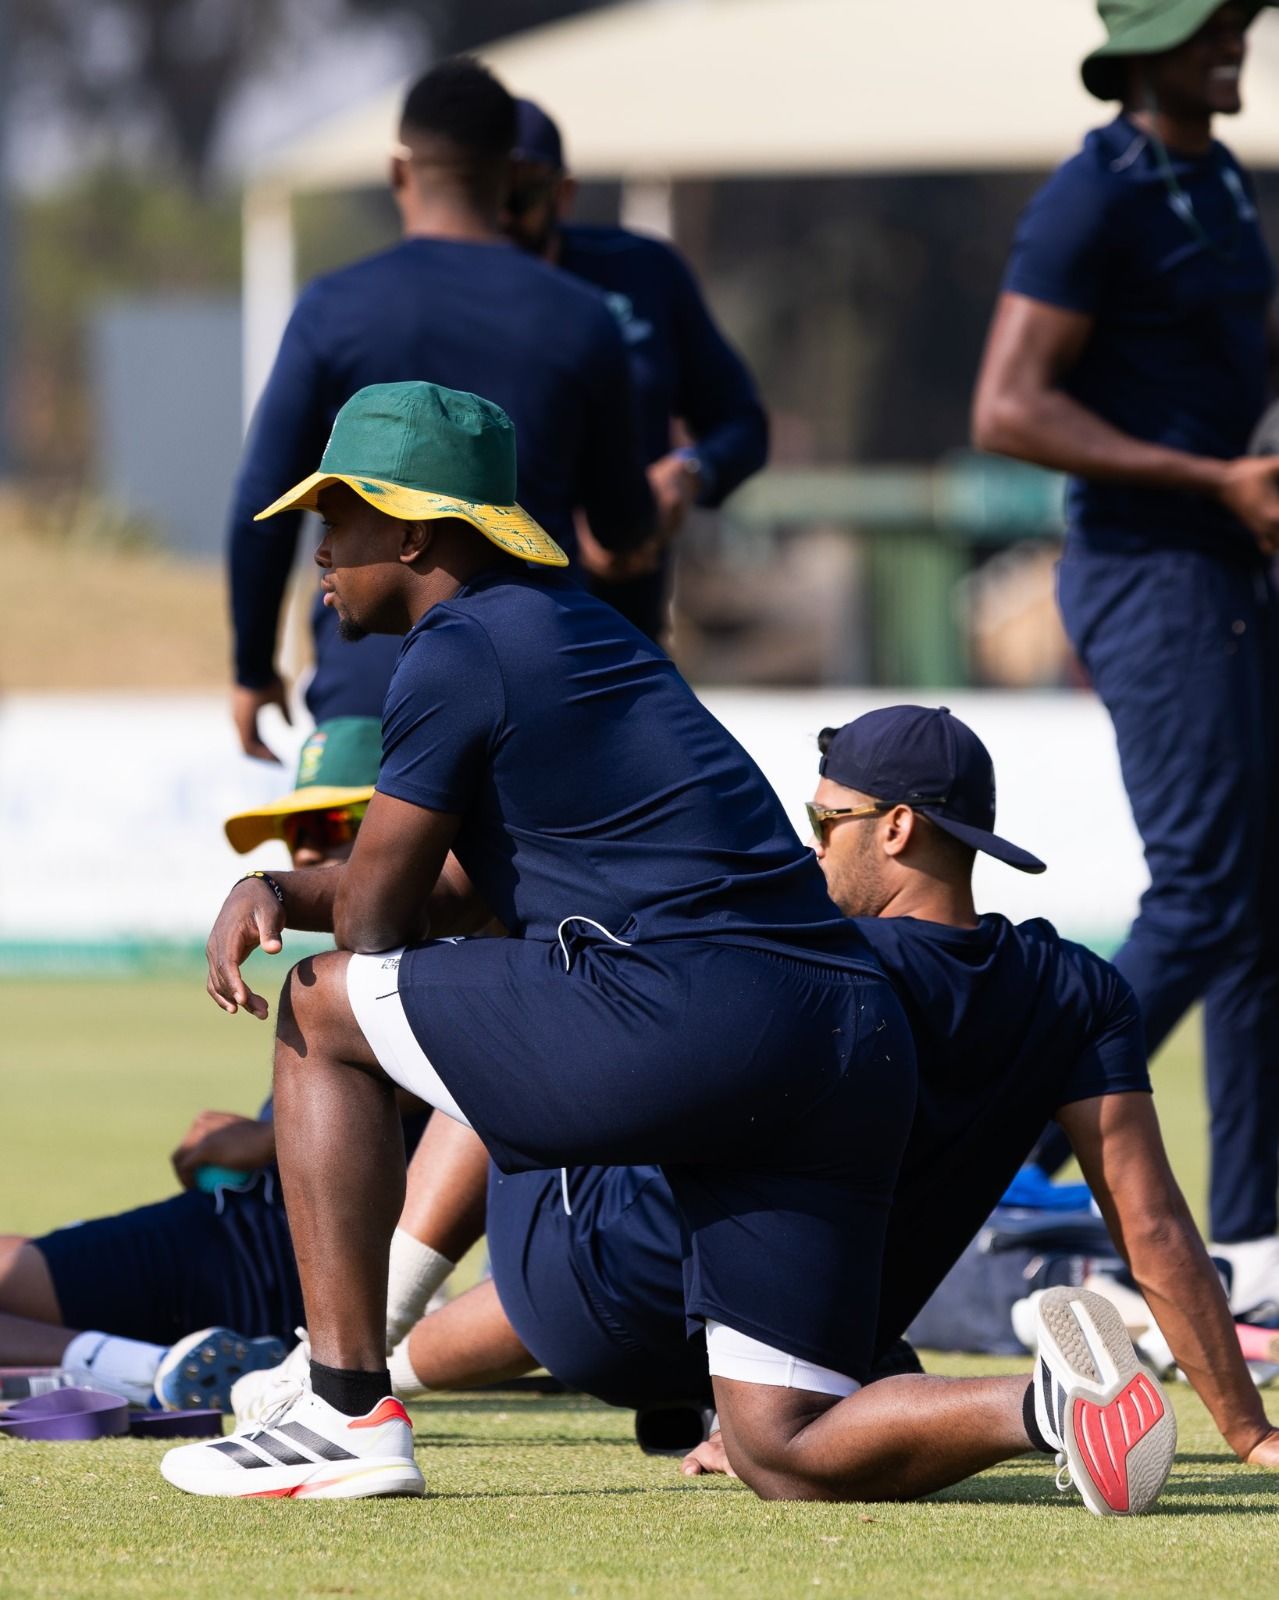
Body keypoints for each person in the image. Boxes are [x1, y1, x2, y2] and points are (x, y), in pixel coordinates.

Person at [166, 380, 1160, 1511]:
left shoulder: (454, 650)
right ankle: (1053, 1406)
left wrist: (290, 906)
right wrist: (275, 881)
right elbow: (452, 886)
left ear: (411, 526)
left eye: (335, 517)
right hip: (842, 1032)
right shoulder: (580, 626)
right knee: (783, 1444)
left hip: (689, 1013)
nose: (322, 549)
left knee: (316, 1006)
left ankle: (344, 1409)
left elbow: (376, 928)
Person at [971, 0, 1279, 1311]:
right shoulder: (1085, 199)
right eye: (1209, 27)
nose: (1235, 45)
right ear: (1142, 46)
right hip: (1147, 574)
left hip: (1218, 563)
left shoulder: (1208, 177)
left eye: (1239, 23)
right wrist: (1213, 478)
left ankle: (1255, 1255)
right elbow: (1004, 406)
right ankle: (996, 1162)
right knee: (1205, 897)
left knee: (1258, 910)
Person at [229, 57, 654, 761]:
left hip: (368, 685)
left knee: (351, 875)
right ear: (511, 175)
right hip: (535, 695)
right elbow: (622, 522)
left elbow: (260, 500)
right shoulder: (582, 320)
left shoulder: (336, 309)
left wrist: (251, 667)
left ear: (401, 171)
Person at [0, 718, 415, 1411]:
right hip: (244, 1237)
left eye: (336, 818)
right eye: (298, 826)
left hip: (261, 1263)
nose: (306, 846)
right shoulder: (377, 946)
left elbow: (442, 1087)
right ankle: (149, 1365)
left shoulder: (433, 948)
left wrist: (258, 1140)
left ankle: (146, 1369)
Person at [503, 98, 769, 640]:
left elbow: (743, 423)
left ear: (563, 193)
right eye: (478, 194)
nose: (499, 215)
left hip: (623, 626)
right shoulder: (426, 301)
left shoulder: (642, 272)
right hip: (491, 624)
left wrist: (688, 475)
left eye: (518, 194)